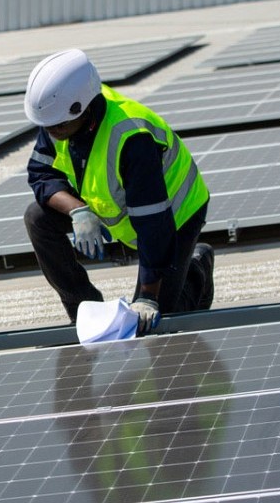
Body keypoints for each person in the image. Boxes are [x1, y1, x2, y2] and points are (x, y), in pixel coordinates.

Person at [22, 48, 215, 336]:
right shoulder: (57, 118)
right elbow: (41, 174)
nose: (51, 132)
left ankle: (196, 270)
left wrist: (148, 295)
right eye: (46, 126)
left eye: (58, 125)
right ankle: (82, 307)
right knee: (37, 217)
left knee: (155, 322)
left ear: (83, 107)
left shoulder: (131, 137)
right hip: (117, 206)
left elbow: (153, 223)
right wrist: (77, 209)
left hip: (174, 214)